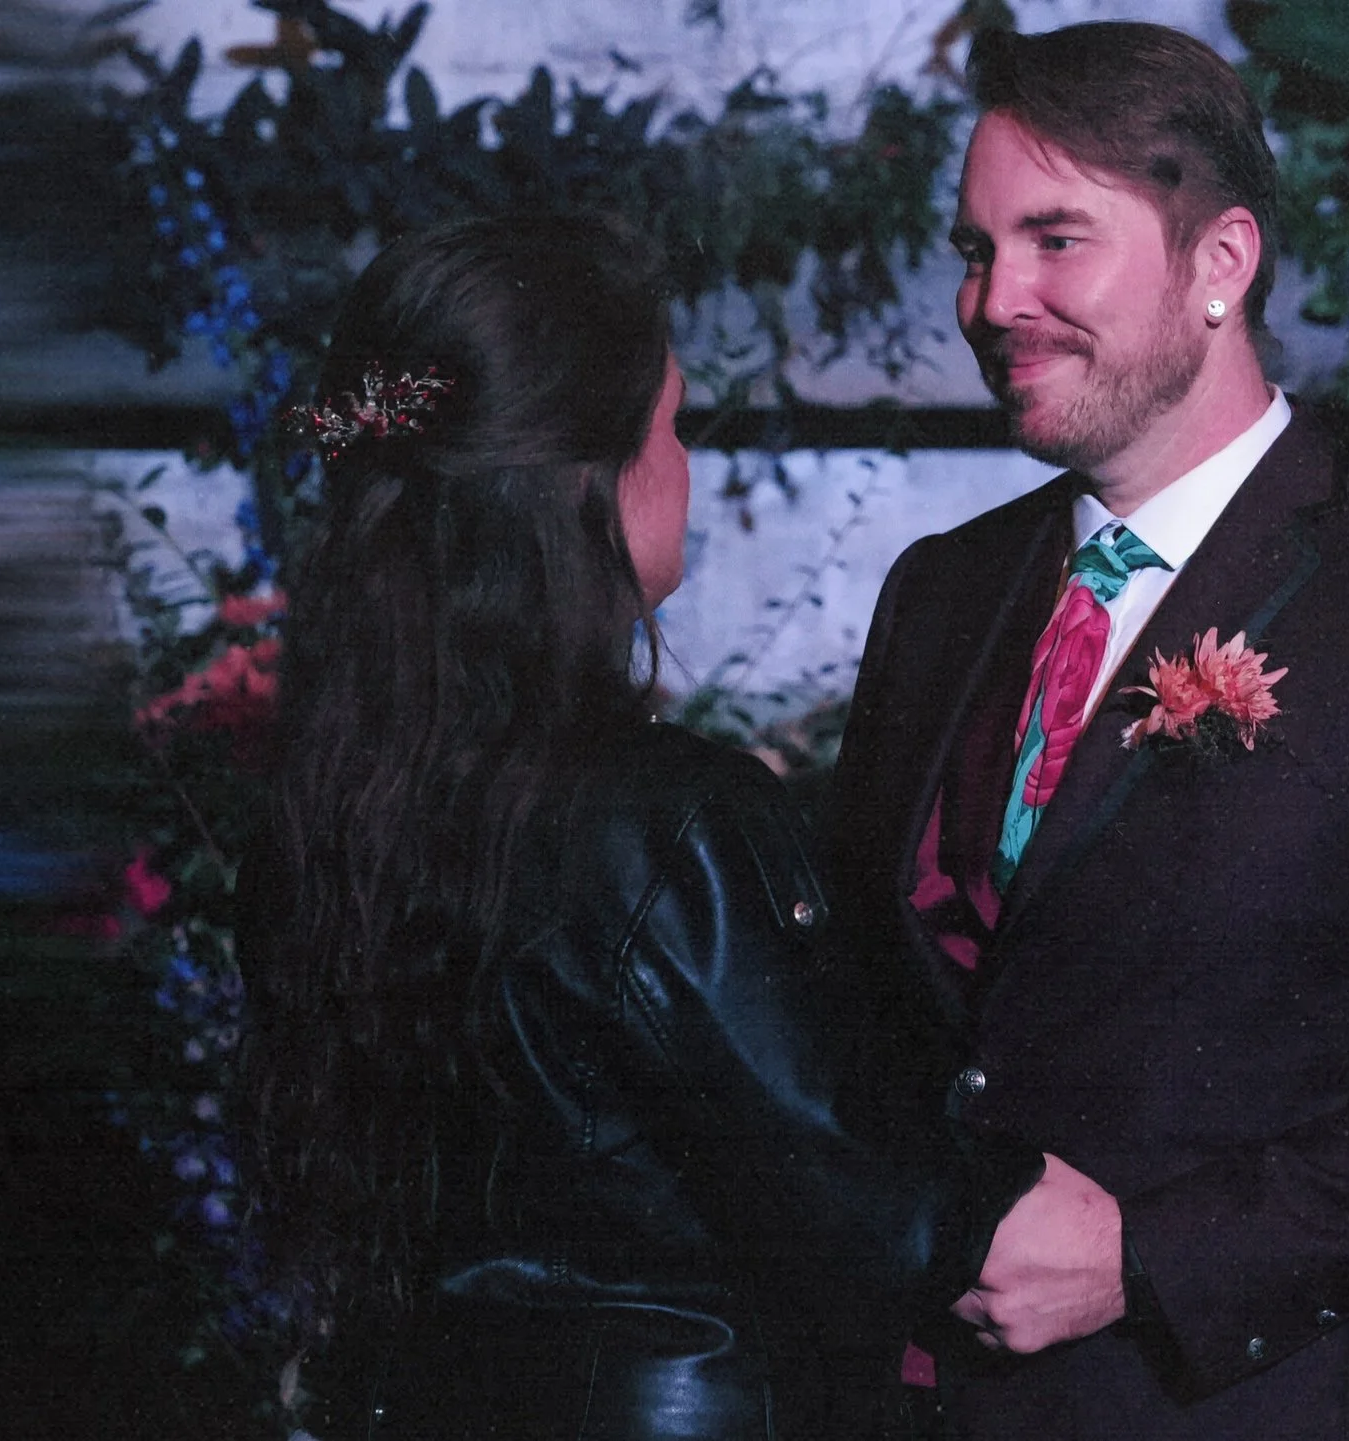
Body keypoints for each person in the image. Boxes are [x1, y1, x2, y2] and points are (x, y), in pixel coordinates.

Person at [825, 22, 1349, 1439]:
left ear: (1221, 263)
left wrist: (1155, 1260)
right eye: (974, 249)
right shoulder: (939, 592)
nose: (991, 298)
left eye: (1054, 240)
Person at [239, 213, 1056, 1441]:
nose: (689, 465)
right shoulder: (655, 818)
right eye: (671, 425)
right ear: (585, 481)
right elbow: (874, 1199)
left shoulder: (328, 806)